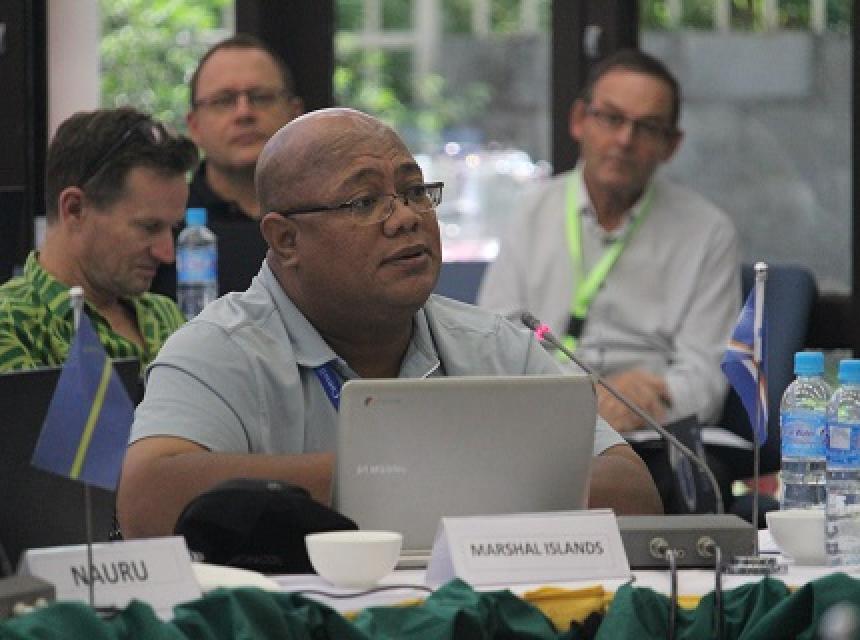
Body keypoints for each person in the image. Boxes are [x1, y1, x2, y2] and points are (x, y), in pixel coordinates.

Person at [118, 108, 663, 538]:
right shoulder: (220, 349)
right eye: (363, 201)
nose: (405, 216)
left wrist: (423, 481)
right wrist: (396, 474)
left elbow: (633, 493)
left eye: (414, 191)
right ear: (286, 240)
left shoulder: (496, 345)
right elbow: (150, 497)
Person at [478, 49, 740, 434]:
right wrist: (578, 403)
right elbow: (492, 347)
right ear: (579, 120)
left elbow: (705, 381)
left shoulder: (707, 232)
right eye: (611, 118)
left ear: (672, 145)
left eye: (648, 127)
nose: (624, 139)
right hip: (543, 423)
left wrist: (633, 404)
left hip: (649, 433)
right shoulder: (532, 211)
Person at [0, 107, 197, 372]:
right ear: (74, 209)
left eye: (172, 228)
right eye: (149, 227)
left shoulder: (165, 317)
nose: (167, 253)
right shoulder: (14, 325)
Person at [150, 34, 304, 300]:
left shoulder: (330, 214)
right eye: (224, 100)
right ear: (194, 126)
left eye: (261, 97)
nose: (244, 113)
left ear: (295, 114)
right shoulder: (162, 223)